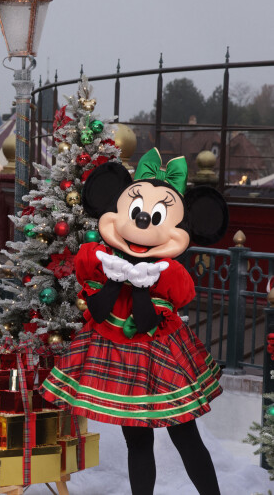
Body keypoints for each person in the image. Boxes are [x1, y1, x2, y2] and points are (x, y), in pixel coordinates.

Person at [40, 149, 229, 495]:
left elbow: (144, 321)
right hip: (116, 356)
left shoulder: (167, 274)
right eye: (137, 213)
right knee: (137, 440)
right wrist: (117, 277)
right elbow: (98, 313)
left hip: (160, 356)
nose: (142, 223)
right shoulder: (101, 262)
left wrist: (140, 282)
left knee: (185, 435)